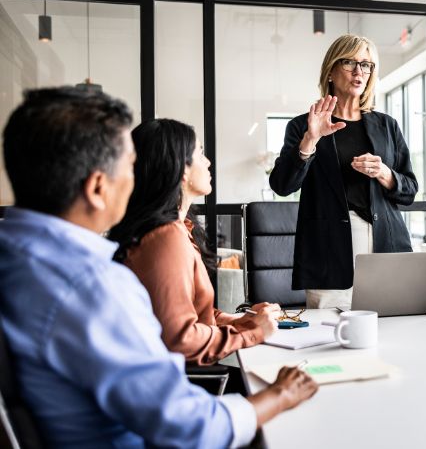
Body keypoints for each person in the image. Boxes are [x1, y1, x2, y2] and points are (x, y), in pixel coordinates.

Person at [0, 87, 317, 448]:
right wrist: (280, 395)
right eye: (129, 167)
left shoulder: (17, 255)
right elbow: (189, 426)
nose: (137, 179)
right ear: (98, 187)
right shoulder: (94, 286)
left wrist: (244, 325)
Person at [108, 119, 278, 366]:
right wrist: (253, 332)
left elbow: (183, 312)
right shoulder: (165, 239)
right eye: (200, 153)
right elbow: (180, 339)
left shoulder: (179, 229)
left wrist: (235, 320)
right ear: (182, 169)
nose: (208, 162)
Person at [269, 34, 418, 309]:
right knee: (328, 339)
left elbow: (409, 189)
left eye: (367, 65)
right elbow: (282, 185)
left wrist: (386, 174)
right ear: (331, 70)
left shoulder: (387, 126)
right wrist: (310, 140)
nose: (359, 71)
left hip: (386, 244)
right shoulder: (303, 125)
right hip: (329, 250)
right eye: (350, 62)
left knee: (393, 332)